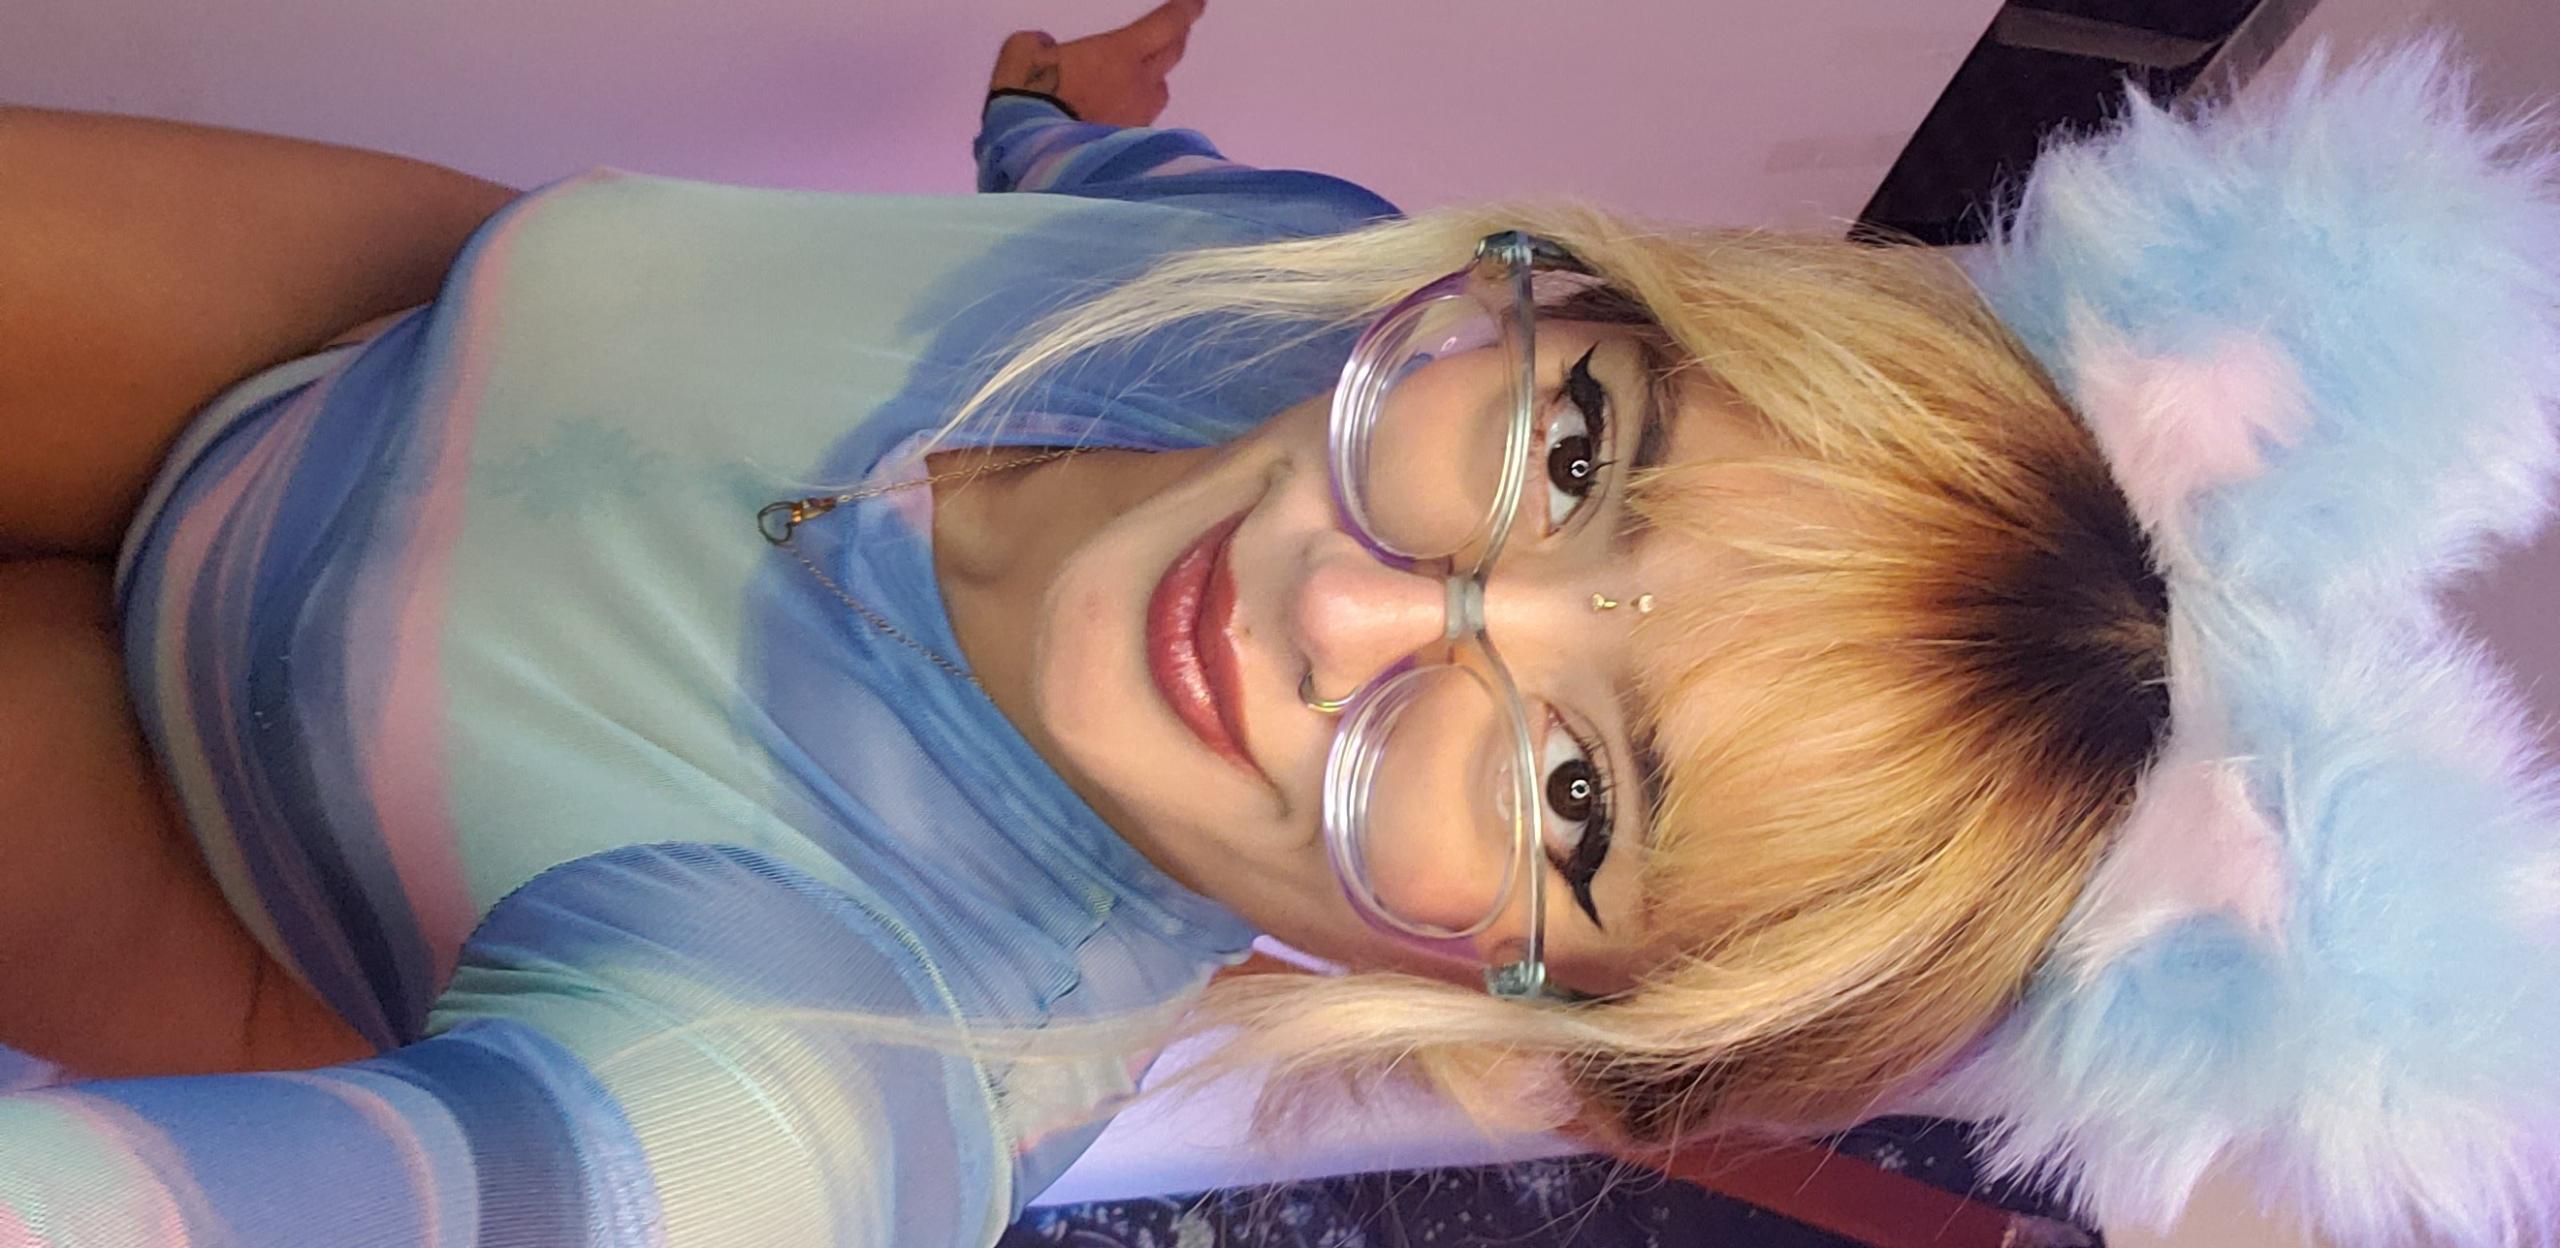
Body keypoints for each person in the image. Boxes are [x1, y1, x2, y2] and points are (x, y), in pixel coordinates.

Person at [0, 5, 2553, 1246]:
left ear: (1546, 1012)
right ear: (1577, 299)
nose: (1347, 598)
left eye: (1571, 790)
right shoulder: (1325, 297)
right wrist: (1060, 96)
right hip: (361, 325)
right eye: (1574, 454)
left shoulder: (828, 1066)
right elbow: (1141, 189)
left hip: (210, 844)